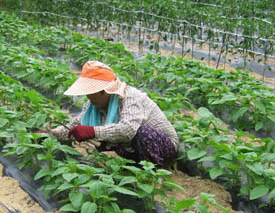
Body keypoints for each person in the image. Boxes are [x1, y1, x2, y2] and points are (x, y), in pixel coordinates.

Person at [48, 61, 179, 168]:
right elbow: (75, 125)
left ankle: (155, 170)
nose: (88, 96)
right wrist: (53, 133)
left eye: (91, 92)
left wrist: (93, 131)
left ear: (105, 91)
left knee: (143, 133)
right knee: (105, 139)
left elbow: (127, 130)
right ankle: (136, 166)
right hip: (133, 147)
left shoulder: (130, 96)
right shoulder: (93, 104)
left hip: (163, 146)